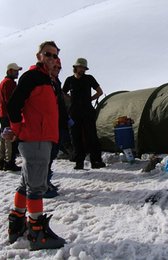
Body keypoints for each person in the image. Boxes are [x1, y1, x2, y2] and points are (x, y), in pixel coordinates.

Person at [6, 41, 65, 250]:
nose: (51, 58)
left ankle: (17, 224)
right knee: (37, 187)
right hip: (35, 139)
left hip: (40, 138)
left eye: (54, 55)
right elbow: (13, 105)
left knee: (26, 184)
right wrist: (18, 130)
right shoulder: (32, 77)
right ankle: (37, 233)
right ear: (39, 55)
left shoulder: (48, 80)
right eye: (47, 54)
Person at [62, 58, 106, 170]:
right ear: (75, 67)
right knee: (75, 137)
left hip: (87, 111)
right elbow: (62, 92)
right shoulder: (69, 80)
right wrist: (70, 99)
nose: (81, 69)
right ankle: (79, 162)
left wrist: (90, 99)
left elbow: (99, 91)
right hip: (74, 112)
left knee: (91, 136)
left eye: (83, 67)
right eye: (80, 67)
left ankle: (96, 161)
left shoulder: (89, 78)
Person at [44, 58, 72, 199]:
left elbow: (60, 103)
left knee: (53, 153)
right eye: (55, 67)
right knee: (46, 155)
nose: (57, 69)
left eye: (59, 68)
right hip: (50, 124)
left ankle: (46, 181)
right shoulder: (46, 81)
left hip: (59, 122)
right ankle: (42, 185)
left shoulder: (56, 82)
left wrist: (66, 118)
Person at [0, 63, 22, 171]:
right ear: (10, 71)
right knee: (10, 138)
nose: (17, 73)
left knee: (4, 137)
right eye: (16, 71)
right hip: (9, 114)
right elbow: (11, 100)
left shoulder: (2, 83)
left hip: (3, 114)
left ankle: (1, 160)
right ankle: (10, 162)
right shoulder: (9, 83)